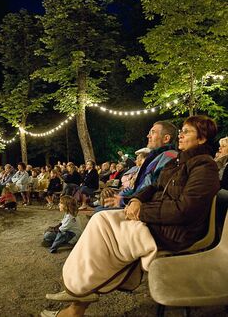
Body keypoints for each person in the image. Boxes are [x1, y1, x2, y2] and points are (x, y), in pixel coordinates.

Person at [42, 115, 219, 317]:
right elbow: (153, 186)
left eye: (186, 132)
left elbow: (185, 210)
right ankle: (79, 291)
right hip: (157, 219)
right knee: (101, 220)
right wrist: (136, 200)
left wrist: (141, 210)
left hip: (175, 232)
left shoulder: (204, 167)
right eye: (181, 131)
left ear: (202, 139)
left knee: (107, 234)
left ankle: (78, 299)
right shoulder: (178, 162)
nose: (181, 135)